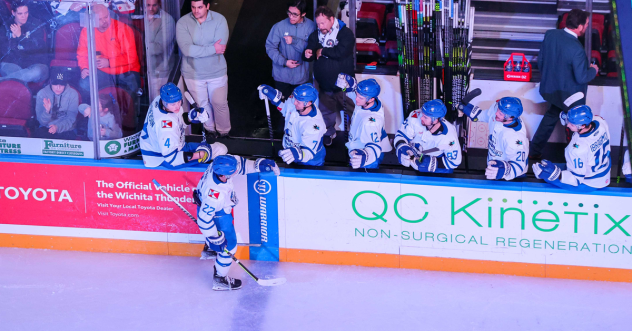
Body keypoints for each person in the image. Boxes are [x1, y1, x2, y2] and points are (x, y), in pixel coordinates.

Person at [193, 154, 280, 290]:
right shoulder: (215, 195)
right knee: (230, 247)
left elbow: (239, 164)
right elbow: (204, 220)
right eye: (233, 172)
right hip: (218, 216)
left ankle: (210, 247)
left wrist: (259, 164)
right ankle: (220, 279)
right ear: (223, 175)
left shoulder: (216, 165)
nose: (236, 171)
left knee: (220, 241)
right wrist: (215, 238)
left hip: (211, 207)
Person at [530, 9, 599, 159]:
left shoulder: (550, 35)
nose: (587, 27)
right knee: (577, 124)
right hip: (571, 96)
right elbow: (582, 78)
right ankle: (576, 157)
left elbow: (540, 62)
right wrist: (593, 70)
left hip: (551, 91)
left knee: (549, 119)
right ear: (580, 26)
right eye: (586, 24)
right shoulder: (577, 50)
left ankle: (533, 151)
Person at [140, 83, 227, 169]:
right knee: (221, 149)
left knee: (217, 148)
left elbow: (178, 121)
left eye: (178, 102)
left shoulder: (158, 100)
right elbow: (172, 159)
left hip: (156, 147)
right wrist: (200, 154)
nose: (177, 106)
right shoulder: (166, 128)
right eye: (173, 104)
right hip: (161, 158)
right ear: (164, 102)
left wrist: (192, 116)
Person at [176, 0, 231, 138]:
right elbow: (187, 49)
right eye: (193, 7)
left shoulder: (219, 20)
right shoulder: (183, 22)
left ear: (207, 6)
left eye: (200, 7)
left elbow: (221, 47)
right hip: (193, 74)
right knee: (202, 105)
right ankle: (210, 131)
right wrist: (212, 48)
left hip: (216, 72)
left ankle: (225, 133)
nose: (196, 11)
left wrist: (197, 50)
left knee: (220, 104)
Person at [302, 6, 355, 146]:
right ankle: (328, 132)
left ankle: (357, 134)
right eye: (318, 23)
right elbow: (310, 52)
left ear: (332, 19)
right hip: (324, 84)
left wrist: (323, 50)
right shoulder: (316, 35)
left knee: (353, 111)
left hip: (344, 85)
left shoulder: (345, 33)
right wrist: (307, 54)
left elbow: (340, 52)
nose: (320, 26)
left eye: (323, 23)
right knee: (326, 112)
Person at [265, 0, 316, 134]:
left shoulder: (311, 27)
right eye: (289, 13)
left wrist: (294, 41)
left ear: (303, 14)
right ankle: (282, 135)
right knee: (282, 110)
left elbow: (312, 49)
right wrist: (284, 61)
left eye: (295, 14)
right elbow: (270, 47)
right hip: (282, 76)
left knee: (301, 110)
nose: (291, 17)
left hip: (302, 77)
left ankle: (300, 135)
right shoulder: (279, 27)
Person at [533, 105, 611, 191]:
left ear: (583, 126)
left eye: (572, 124)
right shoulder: (600, 122)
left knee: (545, 175)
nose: (568, 126)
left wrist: (557, 174)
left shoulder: (577, 150)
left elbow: (577, 180)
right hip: (604, 173)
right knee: (550, 166)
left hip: (589, 183)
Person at [459, 93, 530, 180]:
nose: (496, 112)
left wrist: (504, 171)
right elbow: (484, 116)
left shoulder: (516, 138)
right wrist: (466, 108)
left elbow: (520, 166)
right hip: (492, 166)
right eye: (498, 109)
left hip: (508, 176)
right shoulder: (497, 111)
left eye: (500, 113)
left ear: (510, 117)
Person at [76, 4, 140, 95]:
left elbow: (131, 57)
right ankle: (89, 109)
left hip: (126, 71)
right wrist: (84, 67)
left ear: (109, 15)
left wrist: (109, 62)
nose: (104, 21)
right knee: (84, 85)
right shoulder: (87, 31)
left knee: (131, 93)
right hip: (102, 71)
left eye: (106, 17)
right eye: (100, 19)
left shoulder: (123, 29)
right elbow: (82, 53)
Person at [258, 83, 326, 166]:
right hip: (290, 152)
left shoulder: (314, 126)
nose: (294, 103)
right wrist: (275, 99)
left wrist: (297, 153)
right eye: (295, 99)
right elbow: (286, 110)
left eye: (298, 101)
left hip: (310, 161)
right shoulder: (297, 103)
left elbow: (309, 153)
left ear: (308, 103)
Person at [336, 74, 391, 168]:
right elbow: (356, 94)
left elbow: (374, 147)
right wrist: (349, 81)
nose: (356, 99)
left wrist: (365, 156)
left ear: (371, 99)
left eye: (360, 97)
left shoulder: (371, 123)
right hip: (357, 147)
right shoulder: (370, 101)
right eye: (357, 94)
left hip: (365, 155)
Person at [394, 99, 462, 173]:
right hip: (415, 161)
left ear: (436, 120)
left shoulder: (449, 137)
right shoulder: (415, 116)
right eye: (422, 114)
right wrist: (402, 147)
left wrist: (433, 164)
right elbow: (401, 135)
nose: (421, 118)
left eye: (425, 117)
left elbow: (455, 162)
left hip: (438, 168)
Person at [0, 1, 49, 84]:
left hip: (35, 64)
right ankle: (20, 81)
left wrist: (20, 36)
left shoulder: (36, 24)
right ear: (13, 13)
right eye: (20, 14)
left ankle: (4, 81)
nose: (24, 16)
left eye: (26, 13)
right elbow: (4, 52)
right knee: (19, 76)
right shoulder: (6, 26)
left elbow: (38, 48)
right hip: (13, 63)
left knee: (35, 72)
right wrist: (13, 39)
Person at [34, 67, 79, 139]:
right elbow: (42, 122)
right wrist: (47, 112)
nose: (58, 87)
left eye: (61, 84)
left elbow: (71, 118)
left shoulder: (73, 94)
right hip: (47, 127)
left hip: (66, 128)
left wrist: (57, 127)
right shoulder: (42, 94)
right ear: (50, 82)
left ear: (65, 84)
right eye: (55, 84)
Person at [145, 0, 176, 101]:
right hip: (143, 70)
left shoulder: (167, 20)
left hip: (159, 72)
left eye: (154, 5)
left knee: (158, 102)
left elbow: (158, 47)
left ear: (159, 4)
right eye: (148, 5)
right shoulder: (141, 17)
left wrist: (138, 47)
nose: (151, 8)